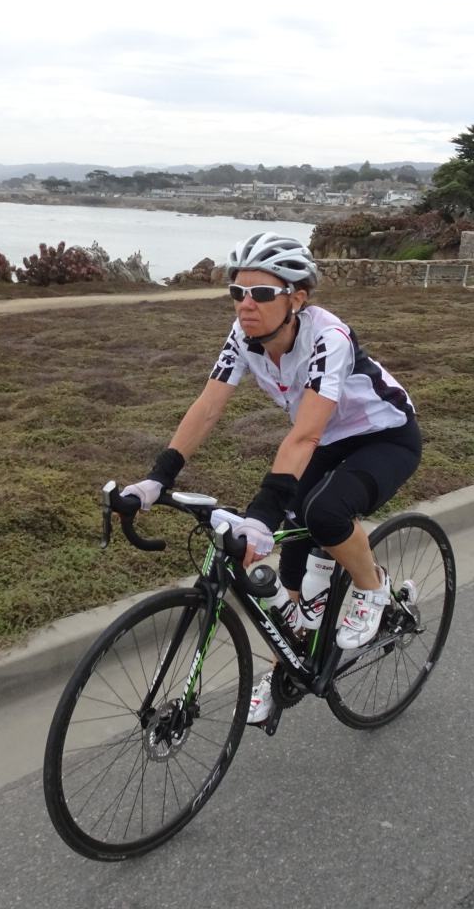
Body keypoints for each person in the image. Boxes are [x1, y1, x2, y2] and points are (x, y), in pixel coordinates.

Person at [122, 231, 422, 724]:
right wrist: (157, 479)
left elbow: (304, 436)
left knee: (324, 513)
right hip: (325, 441)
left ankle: (371, 586)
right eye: (237, 292)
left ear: (296, 299)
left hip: (383, 436)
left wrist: (261, 514)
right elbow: (208, 407)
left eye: (261, 293)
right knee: (291, 566)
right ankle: (290, 665)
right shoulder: (243, 337)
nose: (246, 304)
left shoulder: (328, 338)